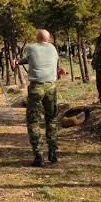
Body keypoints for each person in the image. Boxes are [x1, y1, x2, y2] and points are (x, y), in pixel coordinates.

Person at [15, 29, 59, 167]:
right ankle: (52, 152)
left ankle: (39, 155)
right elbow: (31, 59)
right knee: (51, 118)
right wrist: (21, 61)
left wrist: (16, 62)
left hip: (36, 88)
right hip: (51, 87)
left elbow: (30, 58)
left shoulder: (31, 48)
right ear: (49, 38)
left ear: (36, 38)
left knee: (33, 120)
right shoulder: (53, 48)